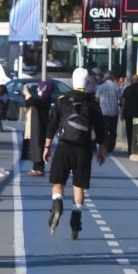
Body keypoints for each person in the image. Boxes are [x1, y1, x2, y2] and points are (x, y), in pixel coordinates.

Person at [45, 67, 107, 238]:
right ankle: (76, 217)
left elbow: (51, 125)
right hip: (84, 148)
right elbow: (101, 128)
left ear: (72, 82)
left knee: (58, 180)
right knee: (79, 184)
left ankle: (57, 202)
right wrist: (102, 149)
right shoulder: (93, 104)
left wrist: (46, 148)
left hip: (64, 145)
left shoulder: (62, 100)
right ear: (87, 83)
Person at [95, 70, 122, 155]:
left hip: (103, 112)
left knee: (104, 130)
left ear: (105, 78)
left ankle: (105, 146)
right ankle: (111, 146)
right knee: (113, 130)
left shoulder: (101, 87)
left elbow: (97, 99)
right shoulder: (116, 87)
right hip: (114, 111)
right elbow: (121, 99)